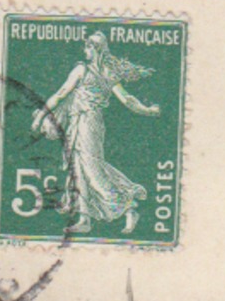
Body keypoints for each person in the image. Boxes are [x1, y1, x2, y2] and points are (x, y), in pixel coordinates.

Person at [30, 31, 161, 235]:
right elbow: (128, 100)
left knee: (92, 169)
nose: (85, 50)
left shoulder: (84, 70)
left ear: (95, 48)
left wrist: (39, 118)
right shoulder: (106, 72)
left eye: (87, 46)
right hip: (80, 122)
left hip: (88, 124)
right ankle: (84, 219)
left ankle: (128, 207)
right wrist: (148, 110)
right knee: (78, 168)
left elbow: (61, 94)